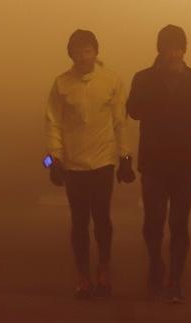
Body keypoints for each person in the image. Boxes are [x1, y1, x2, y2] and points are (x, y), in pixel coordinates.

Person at [126, 24, 191, 304]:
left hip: (186, 164)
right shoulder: (143, 79)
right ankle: (155, 262)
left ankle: (175, 280)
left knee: (179, 223)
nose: (173, 54)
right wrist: (152, 81)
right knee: (153, 221)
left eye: (178, 49)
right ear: (160, 50)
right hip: (154, 163)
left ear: (184, 50)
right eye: (169, 49)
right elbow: (133, 110)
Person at [45, 29, 136, 300]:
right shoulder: (61, 84)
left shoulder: (111, 81)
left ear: (96, 52)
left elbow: (120, 121)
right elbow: (53, 123)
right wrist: (53, 159)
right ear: (70, 54)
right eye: (78, 51)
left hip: (103, 162)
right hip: (73, 165)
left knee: (102, 219)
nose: (83, 56)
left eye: (88, 50)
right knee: (79, 222)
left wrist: (125, 157)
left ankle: (104, 269)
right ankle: (83, 275)